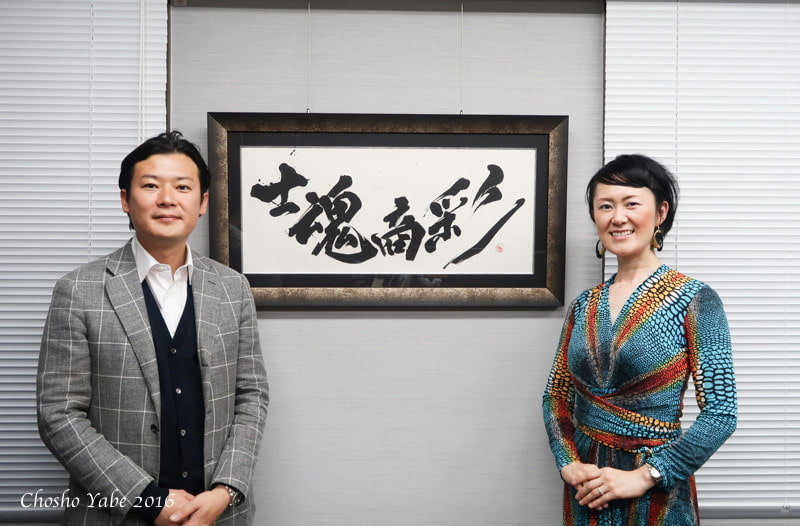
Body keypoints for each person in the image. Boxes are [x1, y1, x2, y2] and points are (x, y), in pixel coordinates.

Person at [37, 131, 269, 526]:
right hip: (116, 513)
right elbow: (59, 413)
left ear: (202, 202)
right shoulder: (78, 290)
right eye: (150, 186)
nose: (167, 198)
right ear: (126, 199)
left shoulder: (232, 288)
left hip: (217, 514)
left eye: (182, 186)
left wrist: (226, 490)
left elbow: (252, 395)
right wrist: (144, 498)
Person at [542, 154, 737, 525]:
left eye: (632, 203)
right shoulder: (584, 305)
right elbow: (556, 395)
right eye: (605, 206)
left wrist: (643, 477)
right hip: (588, 493)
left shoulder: (695, 298)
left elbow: (721, 414)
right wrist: (568, 462)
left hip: (657, 493)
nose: (618, 217)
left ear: (660, 213)